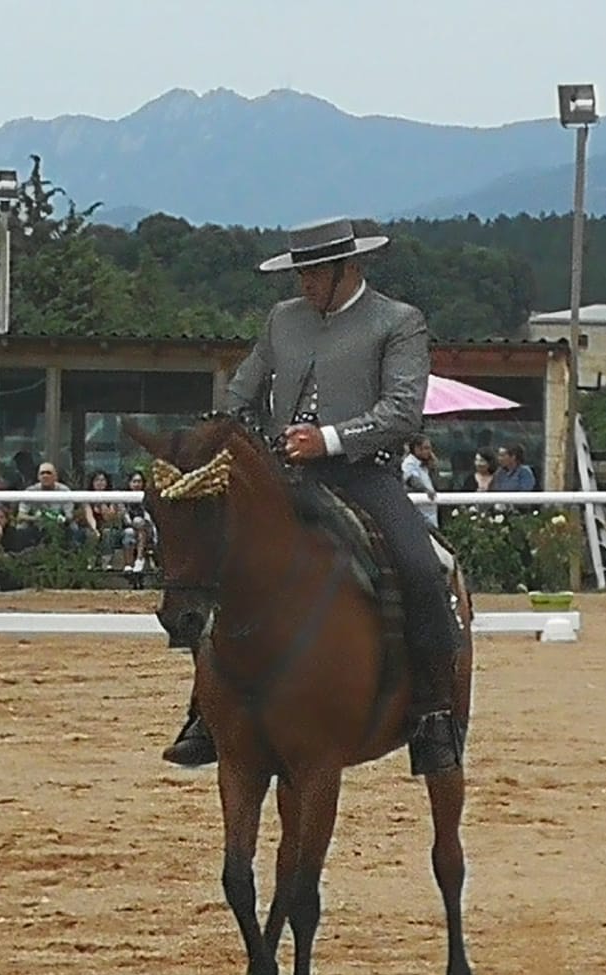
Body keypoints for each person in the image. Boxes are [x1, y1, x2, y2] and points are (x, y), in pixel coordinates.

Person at [164, 216, 462, 777]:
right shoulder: (283, 320)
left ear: (349, 268)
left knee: (423, 569)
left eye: (314, 272)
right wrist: (223, 434)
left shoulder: (399, 322)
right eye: (299, 271)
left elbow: (402, 412)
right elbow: (244, 386)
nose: (304, 283)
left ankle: (432, 711)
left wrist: (328, 438)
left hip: (364, 475)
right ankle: (207, 711)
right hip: (282, 475)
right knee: (218, 567)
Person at [400, 433, 439, 528]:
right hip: (420, 514)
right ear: (417, 448)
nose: (429, 451)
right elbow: (411, 479)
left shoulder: (423, 465)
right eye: (426, 448)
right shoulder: (409, 463)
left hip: (430, 512)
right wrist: (425, 489)